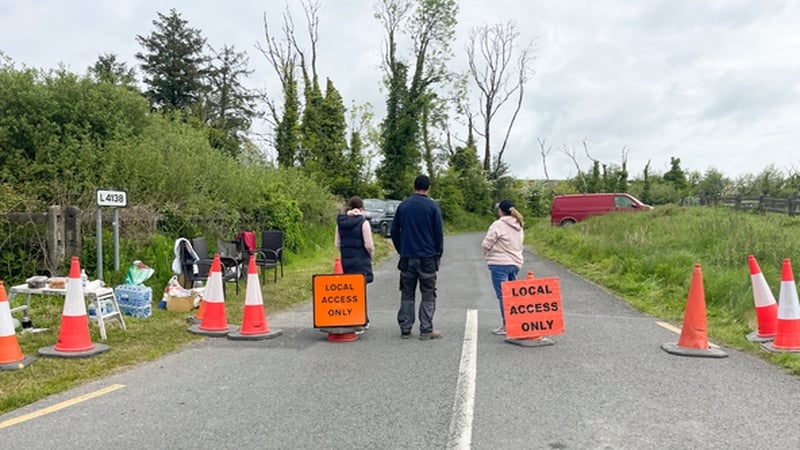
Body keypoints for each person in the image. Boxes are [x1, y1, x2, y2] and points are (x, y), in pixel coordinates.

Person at [390, 175, 445, 340]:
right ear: (428, 188)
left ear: (414, 186)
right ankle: (426, 329)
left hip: (407, 256)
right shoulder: (432, 206)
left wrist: (401, 249)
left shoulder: (403, 206)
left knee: (407, 292)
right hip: (427, 256)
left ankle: (405, 328)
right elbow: (438, 234)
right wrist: (438, 253)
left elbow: (394, 231)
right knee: (428, 292)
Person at [482, 199, 525, 335]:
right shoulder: (519, 224)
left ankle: (507, 325)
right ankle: (516, 322)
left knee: (503, 296)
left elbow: (486, 243)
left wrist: (488, 252)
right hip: (515, 263)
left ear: (501, 211)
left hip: (499, 263)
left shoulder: (498, 224)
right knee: (513, 295)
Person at [335, 196, 374, 330]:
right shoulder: (364, 223)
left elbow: (337, 243)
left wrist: (345, 252)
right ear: (361, 208)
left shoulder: (340, 223)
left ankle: (351, 318)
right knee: (360, 292)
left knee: (349, 292)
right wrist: (370, 255)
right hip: (361, 259)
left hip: (346, 260)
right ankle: (362, 320)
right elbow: (368, 245)